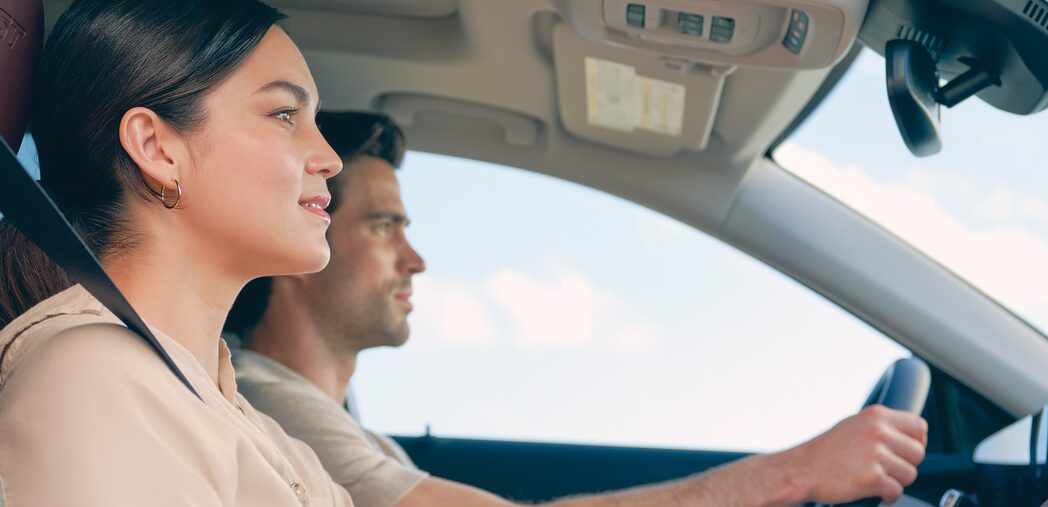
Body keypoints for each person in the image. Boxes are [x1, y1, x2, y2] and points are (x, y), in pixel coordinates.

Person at [227, 112, 930, 507]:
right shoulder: (267, 407)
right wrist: (798, 471)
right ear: (300, 245)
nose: (416, 260)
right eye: (384, 227)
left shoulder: (340, 427)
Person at [0, 0, 355, 505]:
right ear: (157, 148)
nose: (331, 159)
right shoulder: (94, 378)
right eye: (284, 115)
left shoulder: (261, 432)